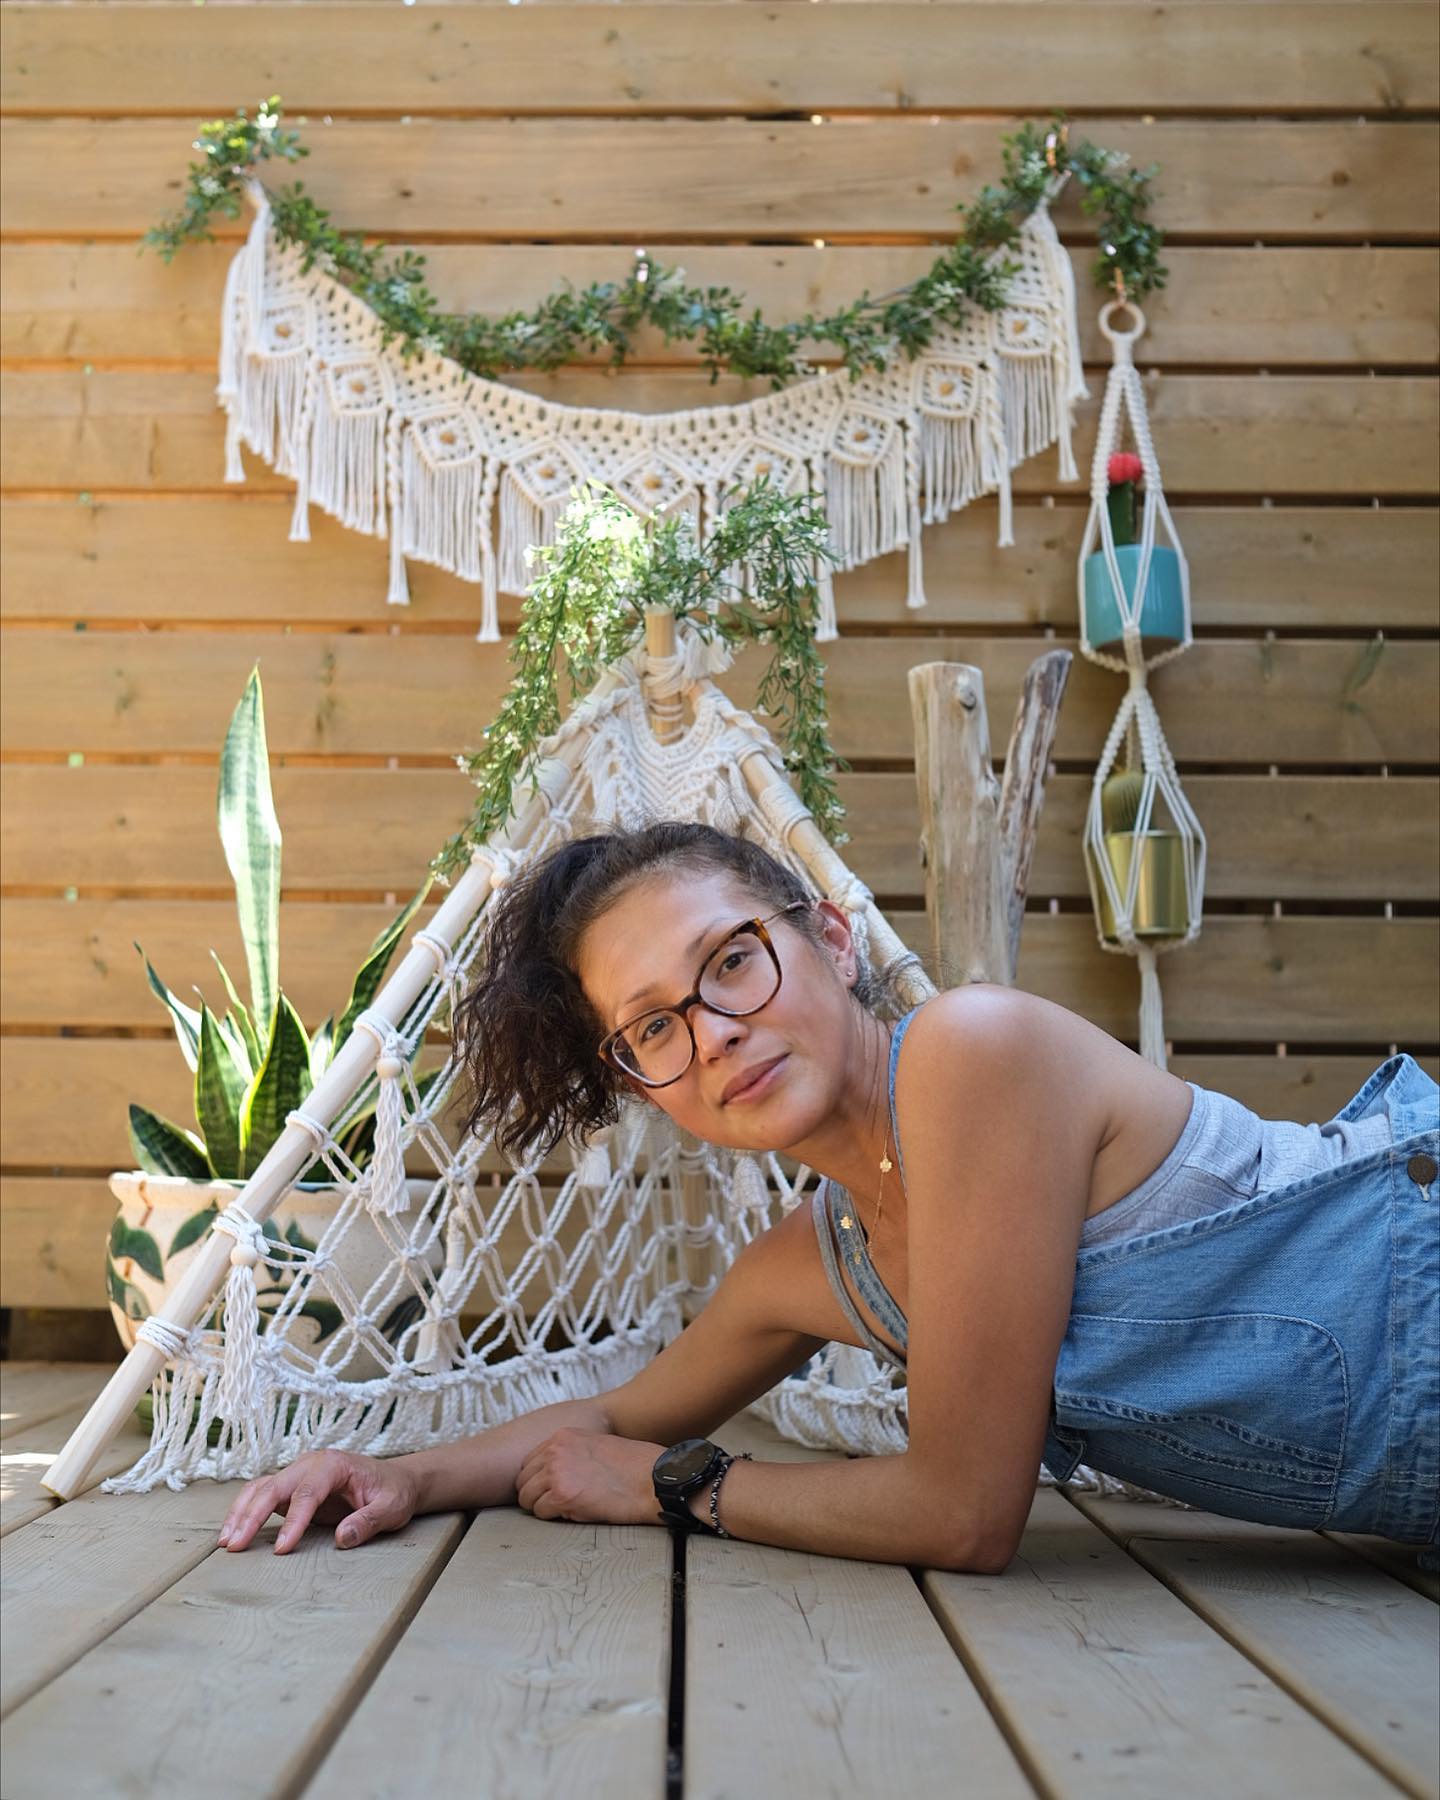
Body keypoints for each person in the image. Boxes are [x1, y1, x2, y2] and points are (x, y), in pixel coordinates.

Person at [216, 822, 1440, 1571]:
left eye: (732, 961)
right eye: (654, 1026)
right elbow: (618, 1412)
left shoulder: (976, 1052)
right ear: (644, 1083)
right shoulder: (813, 1266)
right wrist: (405, 1475)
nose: (715, 1036)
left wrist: (673, 1488)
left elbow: (964, 1515)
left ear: (835, 942)